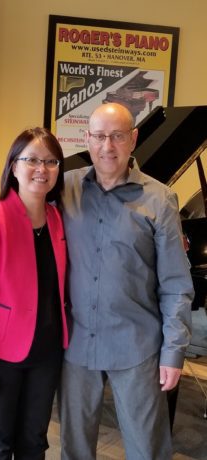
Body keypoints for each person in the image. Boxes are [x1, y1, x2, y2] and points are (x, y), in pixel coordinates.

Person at [59, 102, 194, 460]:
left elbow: (176, 284)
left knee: (147, 449)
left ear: (133, 139)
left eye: (117, 136)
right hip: (76, 345)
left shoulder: (160, 199)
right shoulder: (65, 188)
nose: (108, 146)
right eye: (100, 136)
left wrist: (174, 352)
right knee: (74, 449)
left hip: (136, 346)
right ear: (87, 138)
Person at [0, 127, 69, 460]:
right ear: (14, 166)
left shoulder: (57, 218)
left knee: (34, 442)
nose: (42, 169)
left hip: (47, 352)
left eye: (51, 161)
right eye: (32, 159)